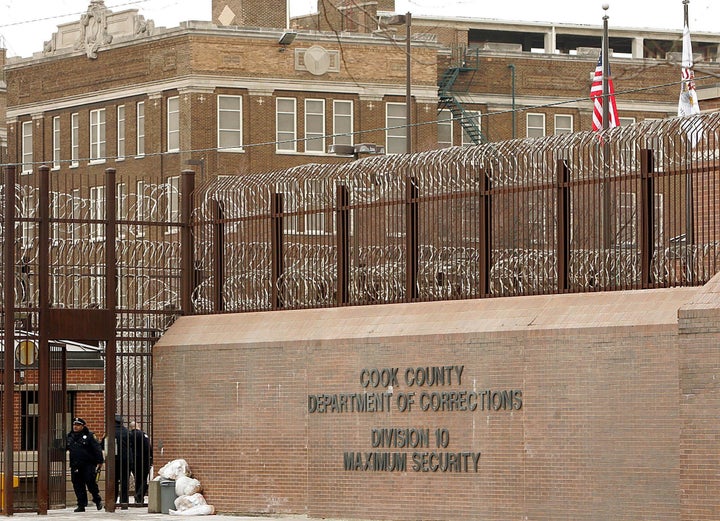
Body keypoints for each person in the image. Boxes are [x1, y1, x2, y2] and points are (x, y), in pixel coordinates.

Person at [66, 417, 103, 512]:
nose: (75, 427)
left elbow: (97, 448)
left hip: (88, 464)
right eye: (74, 425)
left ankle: (97, 498)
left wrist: (100, 461)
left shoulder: (89, 435)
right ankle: (81, 504)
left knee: (91, 482)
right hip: (75, 465)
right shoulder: (70, 436)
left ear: (82, 426)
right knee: (78, 485)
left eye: (78, 425)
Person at [129, 421, 153, 504]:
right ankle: (139, 495)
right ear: (137, 426)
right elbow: (148, 447)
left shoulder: (129, 435)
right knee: (144, 479)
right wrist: (151, 457)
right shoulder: (143, 434)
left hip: (132, 460)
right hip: (143, 460)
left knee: (137, 479)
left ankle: (139, 498)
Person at [114, 415, 133, 508]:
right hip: (126, 460)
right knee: (125, 481)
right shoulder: (127, 432)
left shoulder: (110, 432)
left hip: (114, 460)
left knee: (113, 481)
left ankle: (112, 501)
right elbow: (132, 445)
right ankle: (124, 501)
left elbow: (103, 445)